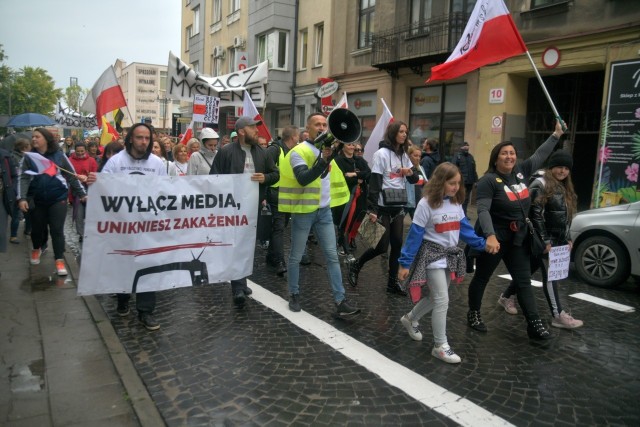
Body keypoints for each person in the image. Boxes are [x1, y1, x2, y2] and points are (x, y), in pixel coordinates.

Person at [467, 120, 565, 340]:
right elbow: (482, 210)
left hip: (518, 238)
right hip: (495, 238)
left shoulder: (521, 171)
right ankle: (473, 314)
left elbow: (540, 155)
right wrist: (490, 236)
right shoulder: (488, 181)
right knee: (482, 277)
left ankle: (534, 324)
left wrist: (556, 135)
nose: (509, 156)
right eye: (504, 153)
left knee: (523, 281)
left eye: (512, 153)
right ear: (496, 158)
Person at [398, 163, 492, 363]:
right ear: (441, 182)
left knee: (436, 298)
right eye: (452, 183)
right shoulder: (425, 204)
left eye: (458, 183)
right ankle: (440, 345)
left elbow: (465, 229)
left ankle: (410, 318)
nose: (456, 187)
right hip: (431, 256)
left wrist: (483, 244)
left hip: (448, 256)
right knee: (442, 300)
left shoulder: (456, 204)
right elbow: (414, 235)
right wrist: (404, 263)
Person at [278, 112, 360, 316]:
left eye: (325, 124)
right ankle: (294, 294)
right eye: (317, 124)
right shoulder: (299, 152)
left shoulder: (327, 150)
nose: (322, 127)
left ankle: (340, 300)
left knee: (332, 256)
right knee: (296, 256)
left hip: (324, 212)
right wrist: (324, 159)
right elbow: (304, 178)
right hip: (304, 212)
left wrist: (330, 154)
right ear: (308, 129)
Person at [86, 123, 166, 331]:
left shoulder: (157, 163)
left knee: (148, 265)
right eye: (139, 138)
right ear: (131, 138)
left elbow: (165, 191)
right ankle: (122, 298)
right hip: (122, 225)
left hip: (148, 225)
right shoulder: (116, 161)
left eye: (147, 138)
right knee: (123, 263)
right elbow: (103, 186)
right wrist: (95, 180)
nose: (144, 142)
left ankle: (145, 311)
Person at [498, 150, 583, 329]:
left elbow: (565, 216)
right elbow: (535, 214)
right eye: (559, 167)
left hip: (556, 241)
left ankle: (506, 297)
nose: (562, 171)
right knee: (551, 277)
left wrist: (567, 237)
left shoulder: (565, 186)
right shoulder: (541, 183)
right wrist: (545, 241)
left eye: (566, 168)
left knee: (527, 271)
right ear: (551, 167)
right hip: (543, 240)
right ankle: (558, 315)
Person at [210, 116, 279, 305]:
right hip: (232, 209)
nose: (257, 132)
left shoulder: (263, 153)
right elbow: (214, 178)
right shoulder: (225, 152)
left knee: (248, 245)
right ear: (241, 131)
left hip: (253, 208)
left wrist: (265, 177)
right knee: (237, 245)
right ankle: (238, 287)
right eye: (253, 128)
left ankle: (242, 280)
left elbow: (276, 174)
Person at [347, 121, 419, 295]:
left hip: (398, 205)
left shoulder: (403, 155)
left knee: (397, 245)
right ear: (393, 133)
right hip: (382, 206)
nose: (404, 134)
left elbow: (415, 179)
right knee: (381, 246)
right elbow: (375, 182)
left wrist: (409, 172)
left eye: (405, 132)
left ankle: (392, 283)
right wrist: (372, 209)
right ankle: (356, 264)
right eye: (401, 131)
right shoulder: (381, 154)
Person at [17, 128, 87, 276]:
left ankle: (59, 260)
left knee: (56, 230)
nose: (34, 139)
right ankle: (37, 248)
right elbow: (22, 178)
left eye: (37, 136)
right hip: (36, 198)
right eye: (33, 137)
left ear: (46, 139)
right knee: (37, 228)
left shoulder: (59, 155)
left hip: (57, 198)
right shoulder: (29, 157)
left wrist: (82, 194)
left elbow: (71, 176)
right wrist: (22, 198)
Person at [264, 125, 299, 276]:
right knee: (278, 227)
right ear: (293, 137)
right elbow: (265, 170)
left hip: (286, 194)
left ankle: (271, 257)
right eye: (298, 136)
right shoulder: (274, 149)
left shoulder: (292, 151)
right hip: (275, 194)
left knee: (280, 227)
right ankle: (279, 261)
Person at [333, 139, 371, 257]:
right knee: (344, 221)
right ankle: (342, 244)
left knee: (357, 219)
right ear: (342, 146)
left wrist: (354, 174)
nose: (352, 146)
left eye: (353, 144)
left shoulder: (359, 160)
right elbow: (340, 178)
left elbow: (368, 174)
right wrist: (357, 179)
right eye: (348, 144)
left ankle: (349, 240)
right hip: (345, 196)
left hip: (361, 195)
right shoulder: (338, 160)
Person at [67, 142, 98, 241]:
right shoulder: (70, 160)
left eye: (82, 151)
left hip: (90, 189)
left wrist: (87, 177)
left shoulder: (91, 160)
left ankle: (91, 232)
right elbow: (68, 176)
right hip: (76, 191)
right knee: (79, 215)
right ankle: (82, 234)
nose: (80, 153)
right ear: (74, 151)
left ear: (86, 151)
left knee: (90, 214)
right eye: (78, 151)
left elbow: (96, 174)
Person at [1, 147, 18, 275]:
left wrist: (13, 192)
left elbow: (14, 176)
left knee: (1, 232)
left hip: (2, 198)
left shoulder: (6, 156)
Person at [9, 138, 31, 243]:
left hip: (22, 186)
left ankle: (26, 230)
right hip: (17, 187)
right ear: (24, 148)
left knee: (25, 210)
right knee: (17, 212)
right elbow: (18, 174)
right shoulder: (15, 158)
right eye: (28, 146)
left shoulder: (17, 156)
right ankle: (14, 235)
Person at [453, 141, 478, 217]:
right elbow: (453, 168)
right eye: (465, 147)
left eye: (467, 146)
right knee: (459, 198)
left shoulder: (471, 157)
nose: (466, 148)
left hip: (470, 181)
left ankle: (464, 214)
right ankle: (457, 214)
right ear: (461, 147)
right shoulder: (457, 156)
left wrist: (476, 180)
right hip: (461, 181)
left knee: (466, 199)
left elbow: (474, 170)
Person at [404, 145, 427, 219]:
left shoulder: (421, 169)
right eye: (415, 155)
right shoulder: (405, 169)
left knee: (417, 225)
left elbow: (423, 185)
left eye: (419, 156)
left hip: (417, 202)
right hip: (405, 202)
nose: (418, 158)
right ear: (409, 156)